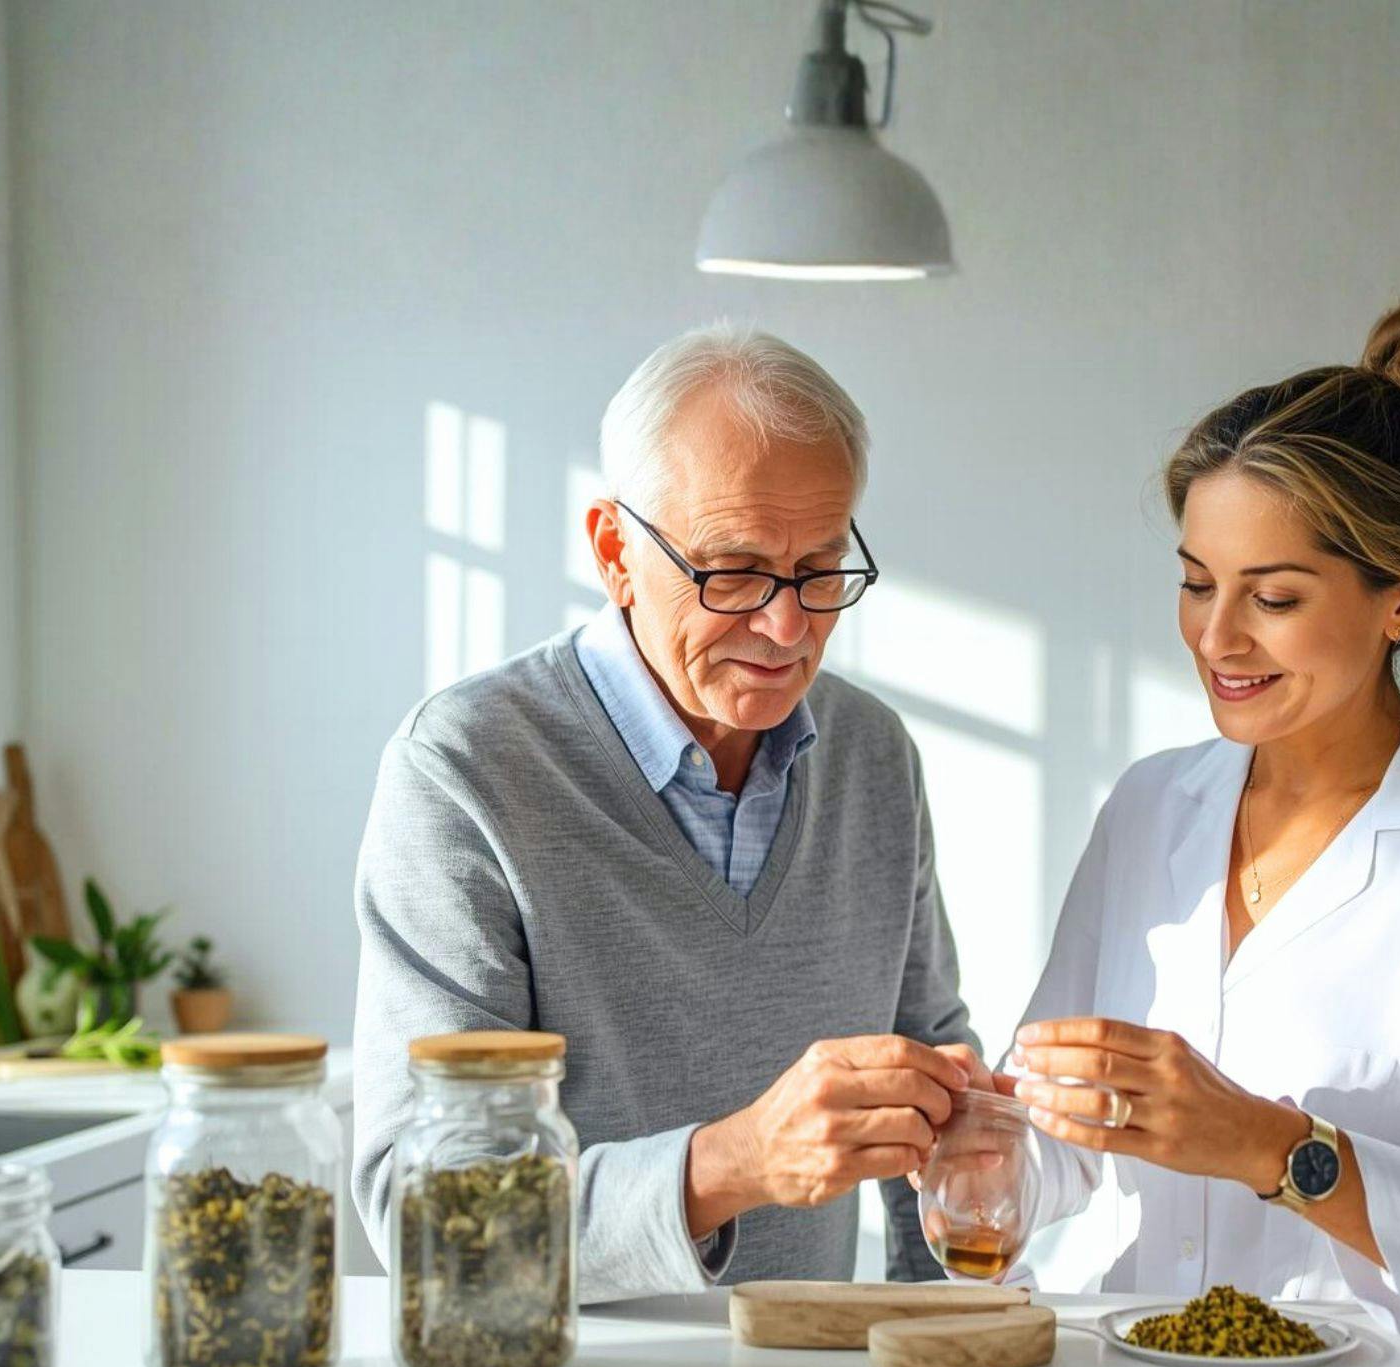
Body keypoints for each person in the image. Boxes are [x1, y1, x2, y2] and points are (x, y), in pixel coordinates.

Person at [1005, 299, 1400, 1336]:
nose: (1215, 636)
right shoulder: (1147, 807)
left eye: (1272, 598)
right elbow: (1057, 1138)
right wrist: (967, 1142)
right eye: (1194, 582)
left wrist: (1274, 1149)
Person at [351, 323, 981, 1300]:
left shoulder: (872, 757)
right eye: (732, 572)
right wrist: (730, 1167)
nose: (786, 628)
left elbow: (928, 1068)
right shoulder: (467, 769)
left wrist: (941, 1299)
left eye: (819, 571)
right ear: (613, 549)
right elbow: (425, 1215)